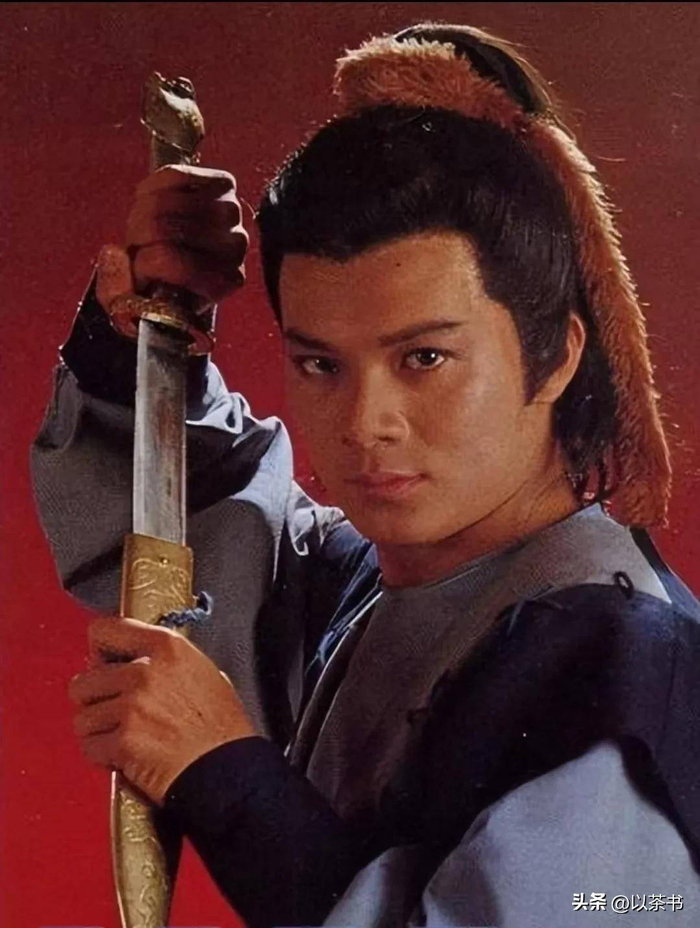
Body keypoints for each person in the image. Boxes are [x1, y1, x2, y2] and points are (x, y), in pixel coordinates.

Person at [31, 22, 700, 928]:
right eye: (320, 363)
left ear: (556, 356)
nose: (363, 422)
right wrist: (143, 337)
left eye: (424, 358)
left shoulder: (625, 664)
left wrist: (226, 776)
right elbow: (193, 526)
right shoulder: (378, 583)